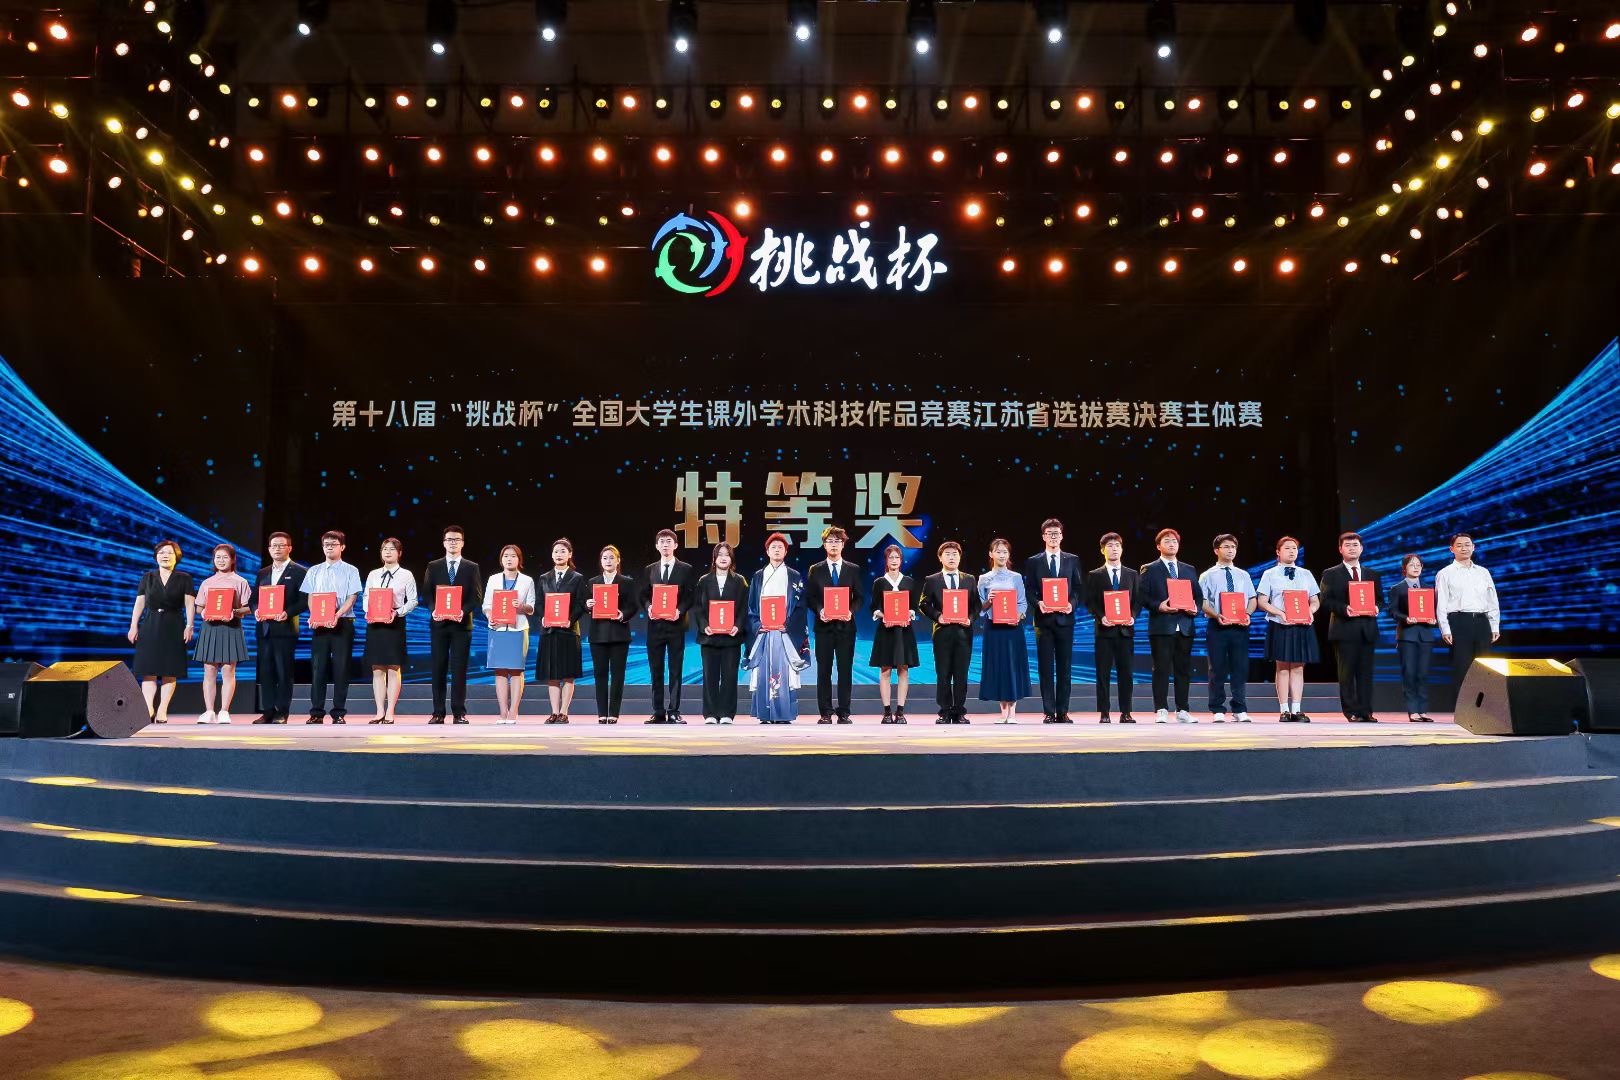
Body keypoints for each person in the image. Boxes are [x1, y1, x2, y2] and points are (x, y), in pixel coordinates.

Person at [1023, 518, 1085, 724]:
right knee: (1046, 668)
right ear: (1043, 537)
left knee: (1065, 668)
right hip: (1043, 621)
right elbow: (1029, 589)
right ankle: (1049, 711)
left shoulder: (1072, 559)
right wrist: (1038, 603)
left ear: (1062, 536)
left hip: (1065, 620)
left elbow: (1078, 588)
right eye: (1049, 533)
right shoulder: (1034, 561)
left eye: (1056, 533)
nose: (1053, 536)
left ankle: (1063, 711)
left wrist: (1071, 604)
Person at [1139, 528, 1203, 723]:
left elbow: (1198, 596)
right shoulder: (1149, 568)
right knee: (1161, 669)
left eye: (1174, 541)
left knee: (1183, 670)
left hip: (1185, 626)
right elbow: (1142, 597)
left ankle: (1182, 710)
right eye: (1167, 541)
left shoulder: (1189, 569)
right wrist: (1159, 606)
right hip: (1161, 626)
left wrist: (1195, 608)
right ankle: (1161, 709)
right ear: (1158, 546)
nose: (1172, 544)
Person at [745, 532, 809, 723]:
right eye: (773, 547)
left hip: (785, 632)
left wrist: (788, 625)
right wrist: (758, 625)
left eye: (781, 547)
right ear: (767, 551)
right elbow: (751, 606)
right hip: (764, 632)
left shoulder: (794, 576)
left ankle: (784, 714)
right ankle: (764, 714)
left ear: (786, 551)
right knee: (762, 671)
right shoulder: (758, 576)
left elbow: (800, 606)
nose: (777, 550)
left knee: (785, 672)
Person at [1320, 531, 1384, 723]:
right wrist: (1344, 609)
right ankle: (1351, 712)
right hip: (1344, 629)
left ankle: (1366, 711)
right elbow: (1325, 601)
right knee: (1346, 674)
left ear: (1361, 548)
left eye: (1355, 545)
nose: (1352, 548)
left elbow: (1380, 599)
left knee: (1366, 674)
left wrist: (1376, 607)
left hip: (1367, 629)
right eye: (1347, 545)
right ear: (1340, 549)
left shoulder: (1372, 574)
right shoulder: (1331, 573)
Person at [128, 540, 194, 724]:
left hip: (174, 624)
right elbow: (139, 603)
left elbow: (189, 604)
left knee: (169, 669)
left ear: (176, 557)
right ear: (156, 556)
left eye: (169, 553)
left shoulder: (184, 578)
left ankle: (162, 709)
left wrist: (189, 626)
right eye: (162, 553)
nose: (165, 556)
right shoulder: (147, 577)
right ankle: (148, 708)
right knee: (148, 669)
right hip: (150, 624)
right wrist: (133, 625)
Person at [300, 530, 362, 724]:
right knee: (318, 669)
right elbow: (311, 596)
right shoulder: (314, 570)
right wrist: (315, 615)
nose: (329, 547)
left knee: (341, 669)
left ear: (342, 547)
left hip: (343, 622)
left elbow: (352, 597)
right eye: (326, 544)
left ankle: (339, 713)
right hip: (320, 624)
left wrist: (337, 614)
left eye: (333, 544)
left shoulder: (351, 570)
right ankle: (316, 712)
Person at [1257, 536, 1321, 722]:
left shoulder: (1306, 574)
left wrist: (1310, 612)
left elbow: (1315, 600)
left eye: (1294, 548)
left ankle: (1297, 709)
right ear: (1278, 552)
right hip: (1280, 624)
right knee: (1283, 667)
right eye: (1287, 548)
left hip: (1302, 625)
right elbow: (1262, 601)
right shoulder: (1269, 574)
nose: (1292, 551)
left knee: (1299, 667)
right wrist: (1279, 613)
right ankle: (1284, 710)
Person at [422, 525, 482, 724]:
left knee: (459, 669)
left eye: (456, 539)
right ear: (444, 543)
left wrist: (462, 611)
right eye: (449, 539)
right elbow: (427, 593)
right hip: (439, 625)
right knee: (438, 668)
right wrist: (434, 610)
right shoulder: (433, 566)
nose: (453, 543)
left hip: (461, 626)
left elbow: (476, 596)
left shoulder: (471, 567)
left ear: (462, 543)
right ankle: (438, 712)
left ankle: (459, 713)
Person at [804, 525, 864, 724]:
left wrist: (850, 611)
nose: (834, 544)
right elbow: (810, 597)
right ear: (824, 545)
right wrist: (820, 610)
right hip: (824, 628)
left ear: (843, 544)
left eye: (838, 541)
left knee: (845, 670)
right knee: (824, 671)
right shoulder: (815, 569)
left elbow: (860, 597)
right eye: (830, 541)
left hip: (846, 628)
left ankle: (844, 712)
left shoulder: (853, 569)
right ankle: (825, 712)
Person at [639, 529, 696, 724]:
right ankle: (658, 711)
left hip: (676, 626)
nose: (665, 544)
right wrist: (649, 607)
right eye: (662, 541)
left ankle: (674, 711)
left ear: (676, 545)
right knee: (656, 670)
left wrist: (680, 610)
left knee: (675, 670)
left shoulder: (686, 569)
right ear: (657, 546)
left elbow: (690, 596)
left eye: (669, 541)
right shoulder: (650, 569)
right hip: (655, 627)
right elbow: (643, 595)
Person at [1199, 534, 1257, 723]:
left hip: (1240, 627)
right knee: (1217, 668)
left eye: (1233, 547)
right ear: (1216, 550)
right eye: (1226, 547)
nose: (1230, 550)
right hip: (1217, 625)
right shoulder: (1207, 575)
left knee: (1240, 668)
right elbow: (1202, 601)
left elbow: (1252, 599)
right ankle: (1217, 708)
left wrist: (1247, 614)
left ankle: (1240, 708)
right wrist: (1217, 615)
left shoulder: (1243, 575)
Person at [920, 541, 979, 724]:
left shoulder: (969, 579)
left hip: (963, 633)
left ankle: (959, 711)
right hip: (942, 633)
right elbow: (923, 604)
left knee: (961, 674)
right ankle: (944, 712)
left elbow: (976, 605)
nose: (951, 557)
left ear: (960, 557)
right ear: (940, 557)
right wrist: (938, 616)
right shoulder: (932, 580)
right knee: (943, 673)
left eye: (955, 554)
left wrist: (970, 618)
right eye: (947, 554)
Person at [1435, 532, 1501, 698]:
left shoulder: (1483, 572)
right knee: (1461, 667)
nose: (1464, 548)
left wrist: (1494, 625)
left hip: (1482, 622)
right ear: (1451, 549)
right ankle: (1462, 708)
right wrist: (1445, 629)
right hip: (1459, 622)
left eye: (1467, 545)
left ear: (1473, 547)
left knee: (1485, 667)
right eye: (1459, 545)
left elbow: (1492, 600)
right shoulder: (1445, 573)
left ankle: (1484, 707)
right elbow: (1441, 603)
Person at [193, 543, 252, 724]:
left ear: (233, 559)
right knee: (209, 670)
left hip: (231, 628)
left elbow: (248, 607)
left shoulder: (240, 581)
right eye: (217, 557)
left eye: (225, 557)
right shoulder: (207, 582)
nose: (221, 560)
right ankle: (209, 711)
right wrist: (204, 612)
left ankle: (224, 711)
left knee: (228, 670)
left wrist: (234, 612)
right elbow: (199, 607)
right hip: (210, 628)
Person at [362, 537, 418, 725]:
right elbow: (366, 596)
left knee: (393, 668)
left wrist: (397, 612)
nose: (387, 552)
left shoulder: (406, 575)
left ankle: (390, 712)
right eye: (384, 549)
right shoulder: (373, 574)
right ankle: (379, 711)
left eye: (392, 549)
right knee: (377, 668)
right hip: (375, 624)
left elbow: (413, 601)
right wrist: (368, 611)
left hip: (395, 623)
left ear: (399, 553)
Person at [1084, 532, 1139, 724]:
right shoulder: (1095, 575)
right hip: (1104, 632)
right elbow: (1090, 602)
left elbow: (1137, 600)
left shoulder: (1132, 574)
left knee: (1126, 674)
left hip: (1125, 631)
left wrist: (1132, 616)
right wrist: (1101, 617)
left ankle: (1126, 712)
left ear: (1122, 549)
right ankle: (1104, 712)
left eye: (1117, 545)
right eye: (1109, 546)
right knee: (1103, 674)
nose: (1114, 549)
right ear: (1102, 550)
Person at [252, 532, 305, 725]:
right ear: (268, 549)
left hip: (285, 629)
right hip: (265, 629)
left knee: (284, 672)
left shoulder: (299, 571)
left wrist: (288, 613)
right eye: (273, 545)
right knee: (265, 672)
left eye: (281, 545)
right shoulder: (263, 572)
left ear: (289, 548)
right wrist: (256, 610)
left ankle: (282, 712)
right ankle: (267, 711)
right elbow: (254, 599)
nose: (277, 549)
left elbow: (304, 601)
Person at [537, 538, 590, 724]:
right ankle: (554, 711)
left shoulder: (577, 578)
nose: (559, 554)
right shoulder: (544, 578)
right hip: (549, 631)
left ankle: (564, 712)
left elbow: (581, 604)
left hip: (569, 631)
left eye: (562, 551)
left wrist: (570, 620)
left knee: (568, 673)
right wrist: (543, 617)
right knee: (552, 674)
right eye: (556, 551)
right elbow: (539, 602)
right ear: (552, 555)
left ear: (570, 554)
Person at [977, 537, 1031, 724]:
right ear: (991, 554)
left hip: (1012, 628)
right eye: (998, 551)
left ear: (1009, 555)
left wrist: (1018, 616)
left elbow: (1022, 603)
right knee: (998, 666)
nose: (1001, 555)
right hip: (993, 628)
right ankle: (1003, 712)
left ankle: (1013, 712)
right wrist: (989, 601)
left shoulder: (1016, 577)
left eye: (1005, 552)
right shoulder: (983, 579)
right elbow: (980, 608)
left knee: (1012, 666)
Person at [695, 542, 749, 724]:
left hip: (731, 638)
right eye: (720, 555)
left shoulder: (740, 581)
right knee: (709, 676)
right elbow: (698, 607)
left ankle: (727, 713)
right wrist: (704, 626)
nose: (723, 558)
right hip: (709, 637)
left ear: (731, 559)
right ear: (714, 558)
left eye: (727, 555)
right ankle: (710, 713)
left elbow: (744, 607)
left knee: (729, 676)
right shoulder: (704, 581)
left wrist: (738, 626)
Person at [869, 543, 923, 724]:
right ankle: (886, 712)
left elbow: (914, 606)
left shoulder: (909, 582)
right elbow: (873, 606)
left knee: (903, 669)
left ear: (901, 560)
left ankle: (900, 712)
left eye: (897, 557)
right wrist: (883, 615)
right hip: (886, 630)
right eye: (890, 557)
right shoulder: (879, 582)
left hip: (904, 631)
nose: (894, 560)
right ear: (886, 560)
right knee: (885, 670)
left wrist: (909, 614)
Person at [483, 544, 535, 725]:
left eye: (513, 556)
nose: (509, 559)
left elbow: (531, 608)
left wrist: (521, 606)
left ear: (519, 559)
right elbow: (486, 605)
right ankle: (503, 712)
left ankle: (514, 711)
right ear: (501, 559)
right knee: (499, 671)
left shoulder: (527, 580)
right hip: (497, 629)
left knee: (516, 671)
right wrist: (490, 616)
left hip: (518, 629)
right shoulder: (493, 579)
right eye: (506, 556)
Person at [586, 545, 637, 724]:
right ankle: (602, 713)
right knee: (600, 674)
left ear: (618, 560)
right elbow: (585, 605)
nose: (608, 561)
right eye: (605, 558)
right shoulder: (593, 582)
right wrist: (588, 605)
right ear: (601, 561)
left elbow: (633, 606)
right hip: (598, 635)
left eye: (611, 558)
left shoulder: (627, 582)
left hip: (619, 635)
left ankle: (614, 713)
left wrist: (622, 614)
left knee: (617, 675)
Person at [1390, 553, 1438, 722]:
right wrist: (1406, 618)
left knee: (1423, 674)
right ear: (1404, 568)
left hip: (1426, 635)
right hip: (1407, 636)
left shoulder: (1429, 588)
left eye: (1418, 565)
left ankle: (1423, 710)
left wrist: (1433, 620)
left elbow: (1435, 610)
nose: (1416, 567)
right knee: (1409, 673)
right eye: (1412, 565)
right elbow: (1393, 611)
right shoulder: (1397, 588)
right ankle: (1413, 711)